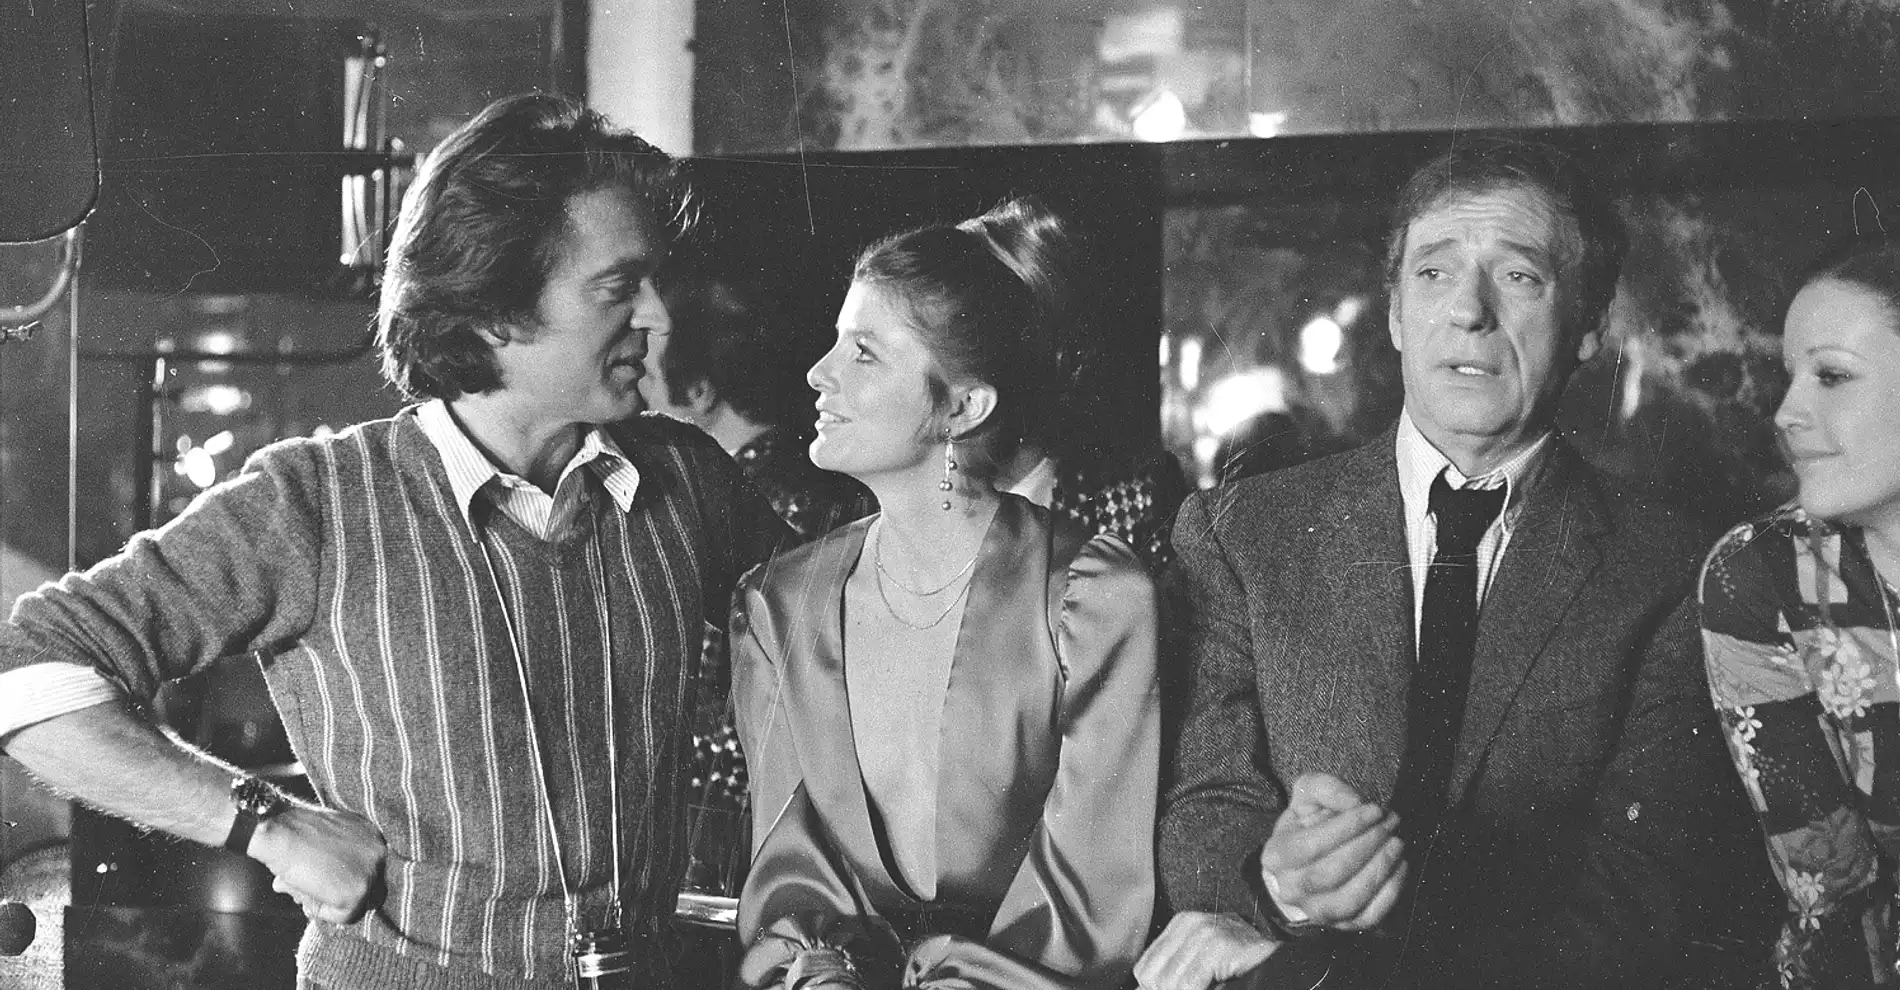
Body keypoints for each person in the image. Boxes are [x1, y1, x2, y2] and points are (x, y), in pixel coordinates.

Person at [0, 92, 787, 989]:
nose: (657, 317)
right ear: (494, 308)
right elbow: (27, 669)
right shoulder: (316, 503)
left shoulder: (689, 481)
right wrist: (265, 821)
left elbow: (840, 644)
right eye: (618, 288)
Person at [1142, 137, 1738, 989]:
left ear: (1591, 326)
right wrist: (1278, 885)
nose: (1469, 311)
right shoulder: (1243, 533)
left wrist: (1346, 966)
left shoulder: (1670, 570)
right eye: (1433, 273)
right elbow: (1200, 803)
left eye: (1519, 276)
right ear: (1393, 314)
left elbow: (1643, 893)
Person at [730, 196, 1159, 990]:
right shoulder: (777, 604)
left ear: (963, 407)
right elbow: (790, 890)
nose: (818, 374)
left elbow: (1084, 917)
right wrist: (816, 972)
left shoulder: (1093, 598)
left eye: (863, 353)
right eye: (834, 342)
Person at [1701, 242, 1900, 988]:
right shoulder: (1762, 575)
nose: (1786, 414)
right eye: (1790, 376)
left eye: (1833, 376)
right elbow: (1833, 895)